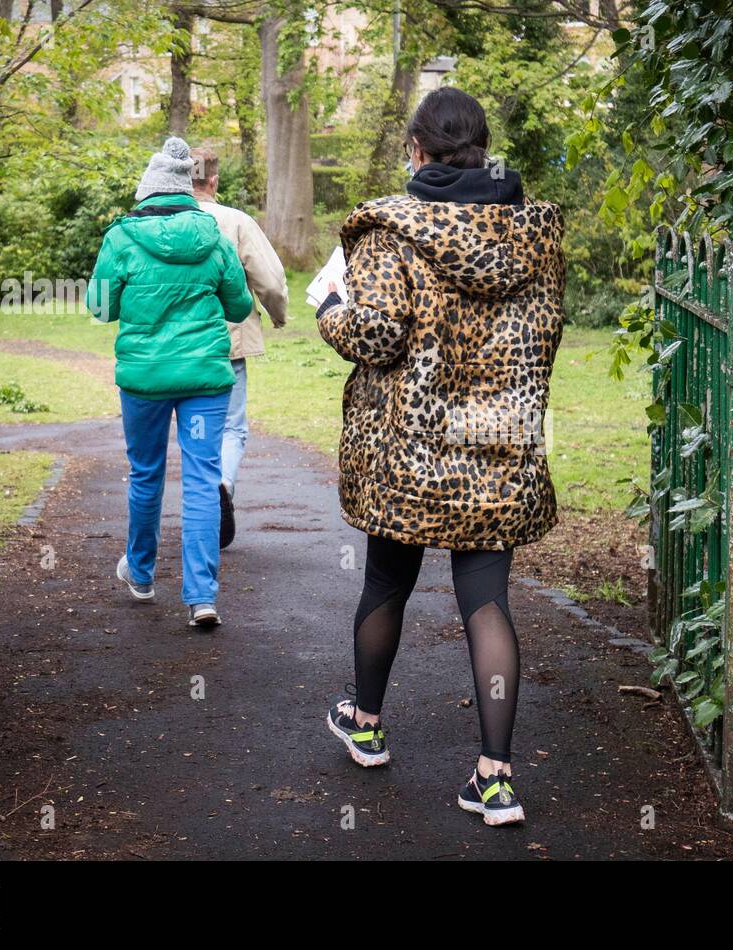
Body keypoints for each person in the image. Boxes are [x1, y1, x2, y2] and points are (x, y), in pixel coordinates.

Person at [316, 88, 565, 826]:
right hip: (499, 446)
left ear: (417, 150)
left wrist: (332, 307)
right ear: (481, 146)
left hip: (412, 452)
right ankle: (496, 778)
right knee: (487, 603)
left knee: (387, 586)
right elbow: (545, 337)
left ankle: (364, 725)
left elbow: (378, 337)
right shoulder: (533, 234)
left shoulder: (392, 232)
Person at [87, 136, 253, 629]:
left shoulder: (120, 238)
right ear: (186, 190)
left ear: (147, 192)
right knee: (203, 480)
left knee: (145, 473)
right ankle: (202, 598)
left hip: (143, 380)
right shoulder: (215, 239)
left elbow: (99, 308)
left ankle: (140, 575)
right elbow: (240, 307)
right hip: (205, 378)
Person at [190, 147, 289, 549]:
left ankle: (198, 505)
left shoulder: (164, 221)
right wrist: (278, 314)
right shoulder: (235, 221)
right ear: (213, 181)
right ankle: (223, 483)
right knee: (232, 425)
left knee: (191, 428)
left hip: (177, 347)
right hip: (227, 342)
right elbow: (267, 278)